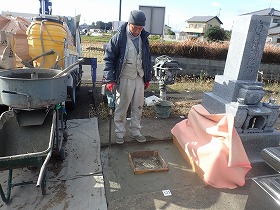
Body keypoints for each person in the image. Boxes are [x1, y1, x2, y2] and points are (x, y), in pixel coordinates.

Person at [103, 9, 152, 144]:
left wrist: (147, 77)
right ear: (129, 23)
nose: (137, 31)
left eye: (140, 28)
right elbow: (109, 59)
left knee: (138, 106)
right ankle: (119, 133)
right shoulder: (118, 38)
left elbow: (147, 59)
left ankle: (135, 131)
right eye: (135, 27)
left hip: (139, 77)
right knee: (122, 105)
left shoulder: (144, 38)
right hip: (124, 76)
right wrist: (110, 79)